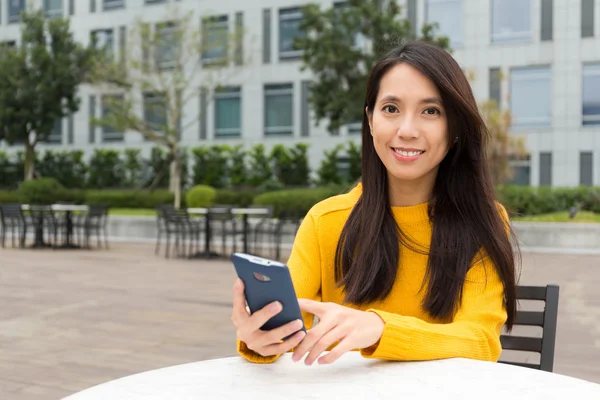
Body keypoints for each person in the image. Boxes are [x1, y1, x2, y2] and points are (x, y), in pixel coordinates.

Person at [231, 40, 518, 366]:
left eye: (431, 111)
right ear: (370, 120)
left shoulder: (483, 220)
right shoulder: (325, 221)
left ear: (454, 129)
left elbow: (480, 341)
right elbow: (282, 330)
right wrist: (259, 338)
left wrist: (381, 329)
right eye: (391, 109)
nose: (406, 130)